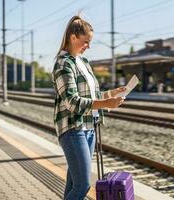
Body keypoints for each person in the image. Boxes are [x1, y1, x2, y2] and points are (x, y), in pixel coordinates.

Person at [52, 15, 126, 200]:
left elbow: (93, 97)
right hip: (73, 128)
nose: (88, 46)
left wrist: (111, 94)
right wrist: (105, 104)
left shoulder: (83, 63)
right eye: (86, 42)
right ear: (73, 37)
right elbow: (72, 101)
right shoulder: (63, 64)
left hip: (89, 128)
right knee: (83, 186)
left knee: (73, 185)